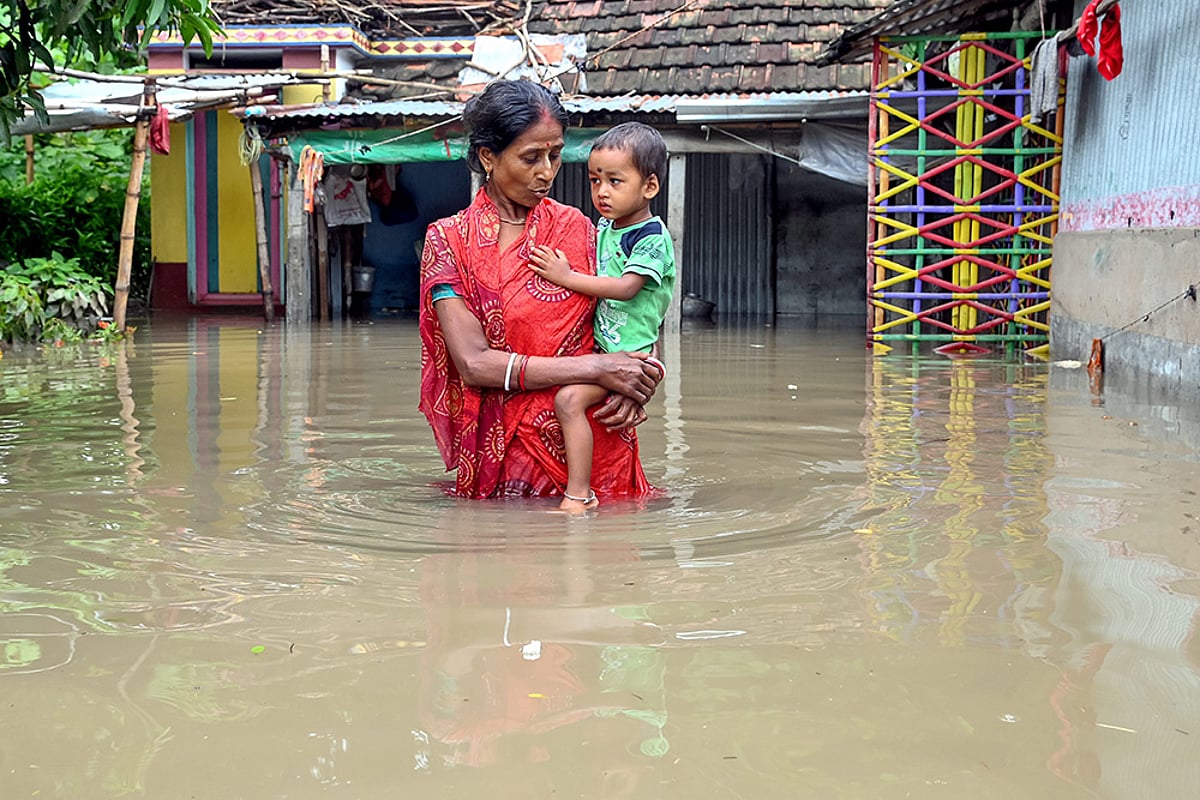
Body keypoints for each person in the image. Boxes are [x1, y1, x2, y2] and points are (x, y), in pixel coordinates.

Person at [419, 80, 663, 501]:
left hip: (596, 449)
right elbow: (474, 363)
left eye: (555, 155)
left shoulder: (580, 229)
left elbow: (636, 312)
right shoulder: (449, 242)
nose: (547, 172)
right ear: (488, 157)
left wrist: (639, 379)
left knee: (613, 559)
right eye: (531, 158)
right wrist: (598, 370)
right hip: (503, 457)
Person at [528, 122, 675, 513]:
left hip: (633, 357)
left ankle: (580, 495)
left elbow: (627, 288)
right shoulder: (605, 227)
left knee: (569, 400)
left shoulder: (650, 237)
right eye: (595, 181)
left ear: (650, 187)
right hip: (606, 348)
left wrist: (567, 278)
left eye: (615, 181)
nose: (602, 192)